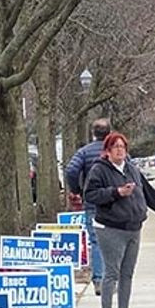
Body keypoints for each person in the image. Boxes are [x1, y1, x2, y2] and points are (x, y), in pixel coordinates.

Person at [85, 132, 155, 308]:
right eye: (116, 147)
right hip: (110, 228)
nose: (120, 150)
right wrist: (116, 192)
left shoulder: (131, 169)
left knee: (127, 273)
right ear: (108, 151)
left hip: (133, 227)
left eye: (122, 147)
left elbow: (149, 194)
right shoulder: (99, 170)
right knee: (112, 272)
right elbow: (91, 195)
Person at [64, 119, 111, 295]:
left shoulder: (84, 152)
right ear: (109, 133)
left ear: (93, 133)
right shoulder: (115, 151)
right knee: (115, 240)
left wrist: (77, 189)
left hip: (92, 201)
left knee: (96, 241)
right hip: (114, 202)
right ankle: (112, 278)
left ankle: (99, 279)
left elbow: (71, 170)